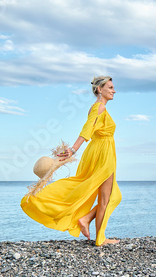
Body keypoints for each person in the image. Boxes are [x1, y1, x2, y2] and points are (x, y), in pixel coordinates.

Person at [21, 76, 122, 246]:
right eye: (110, 87)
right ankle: (100, 239)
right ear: (100, 89)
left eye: (113, 87)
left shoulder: (98, 108)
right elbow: (87, 129)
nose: (114, 90)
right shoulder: (99, 107)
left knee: (114, 196)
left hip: (100, 152)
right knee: (107, 198)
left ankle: (86, 219)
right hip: (102, 154)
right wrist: (73, 149)